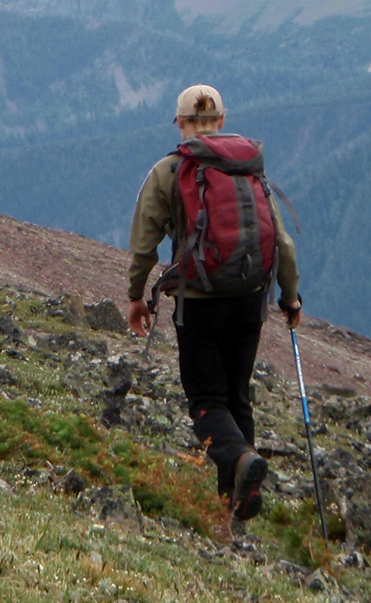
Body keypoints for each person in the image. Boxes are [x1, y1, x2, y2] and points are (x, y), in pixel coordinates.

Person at [125, 84, 301, 521]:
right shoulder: (249, 168)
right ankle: (238, 499)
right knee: (237, 396)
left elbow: (145, 246)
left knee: (205, 399)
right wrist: (290, 298)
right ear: (221, 120)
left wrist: (135, 296)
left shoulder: (170, 171)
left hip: (200, 300)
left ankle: (240, 463)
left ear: (181, 123)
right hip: (250, 299)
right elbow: (282, 243)